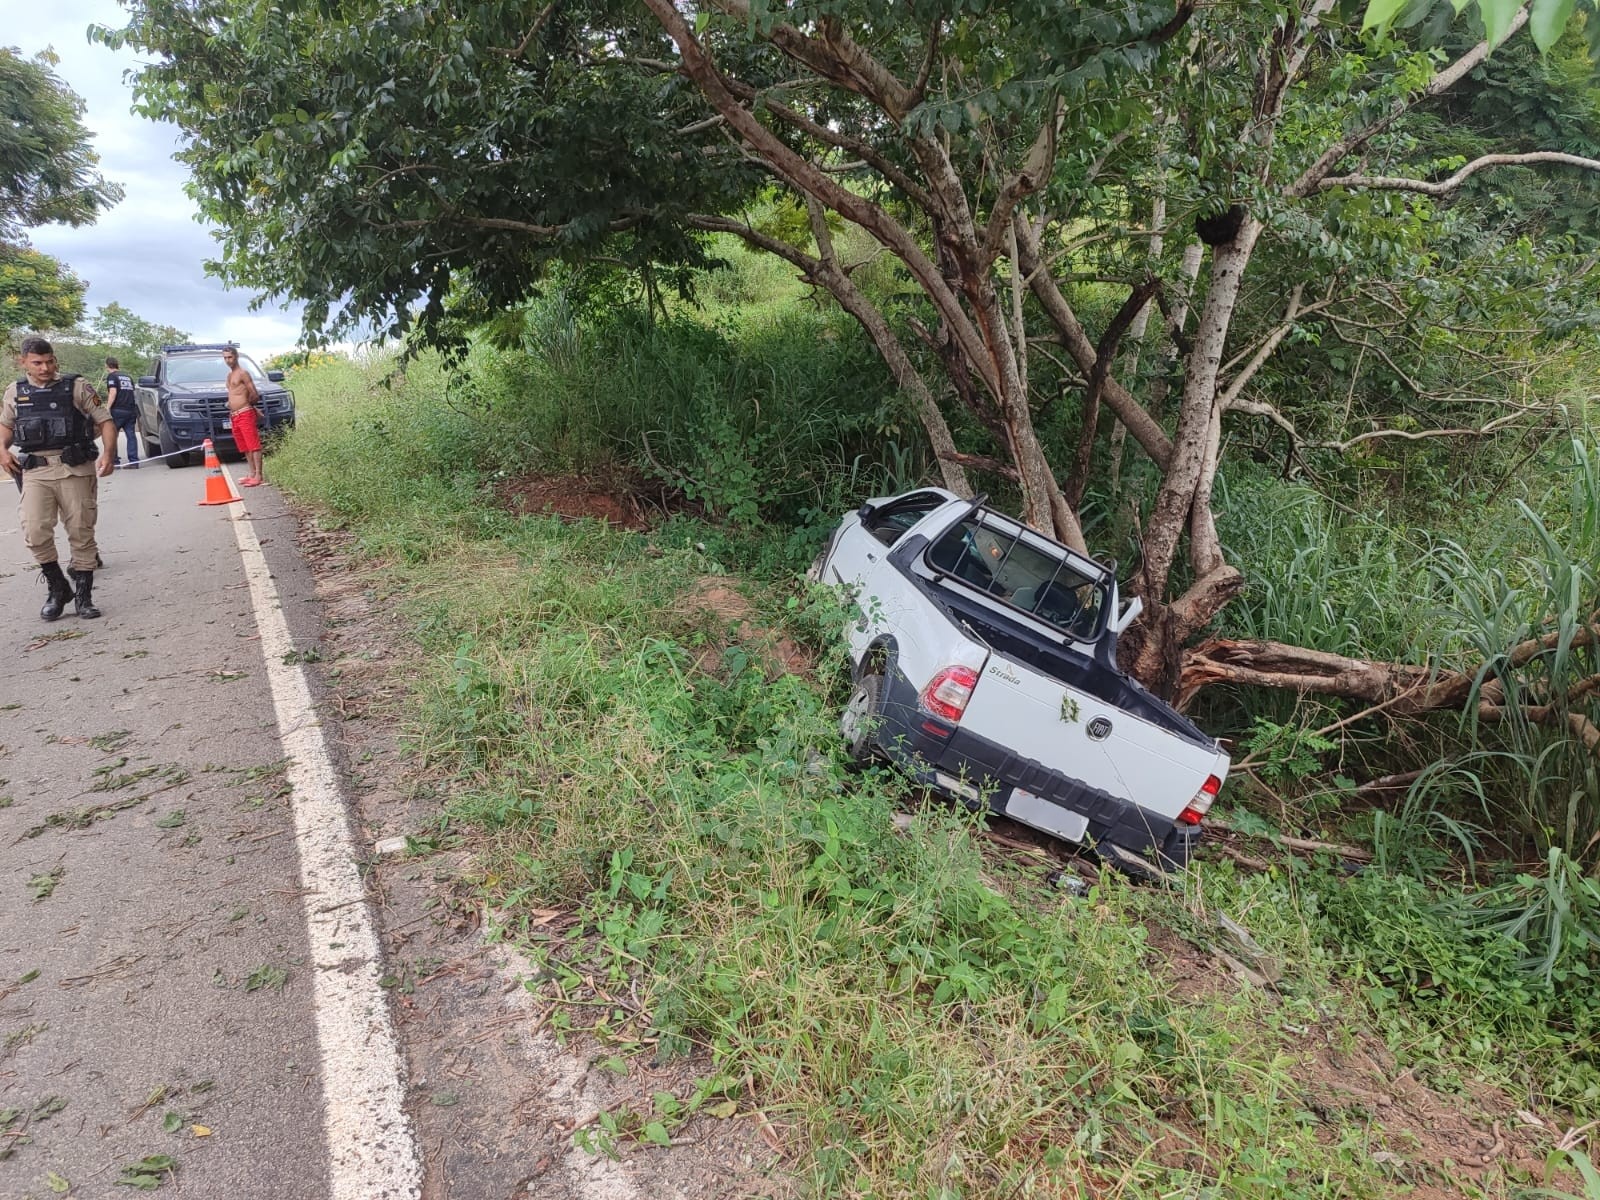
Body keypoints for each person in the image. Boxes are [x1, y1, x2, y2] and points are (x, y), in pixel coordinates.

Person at [0, 336, 115, 620]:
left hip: (74, 468)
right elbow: (6, 426)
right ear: (23, 362)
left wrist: (109, 454)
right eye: (37, 363)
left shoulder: (77, 387)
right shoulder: (14, 391)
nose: (45, 367)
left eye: (50, 361)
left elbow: (105, 421)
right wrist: (2, 450)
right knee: (35, 531)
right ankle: (58, 587)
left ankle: (84, 597)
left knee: (80, 530)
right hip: (36, 471)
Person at [223, 345, 263, 487]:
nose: (228, 360)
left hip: (245, 413)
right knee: (244, 446)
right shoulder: (229, 375)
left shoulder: (243, 373)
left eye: (230, 357)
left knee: (253, 444)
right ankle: (251, 473)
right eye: (225, 358)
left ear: (236, 356)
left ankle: (258, 475)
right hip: (234, 415)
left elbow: (254, 393)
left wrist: (250, 407)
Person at [105, 355, 139, 468]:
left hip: (118, 410)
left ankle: (115, 462)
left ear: (107, 366)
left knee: (112, 436)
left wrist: (107, 407)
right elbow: (133, 393)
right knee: (131, 436)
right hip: (130, 410)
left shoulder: (112, 376)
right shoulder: (127, 377)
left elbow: (113, 393)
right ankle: (134, 461)